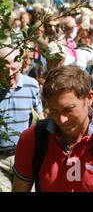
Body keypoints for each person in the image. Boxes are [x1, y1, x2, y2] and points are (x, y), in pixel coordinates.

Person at [0, 47, 44, 191]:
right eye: (5, 69)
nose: (10, 74)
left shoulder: (31, 85)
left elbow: (40, 116)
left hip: (24, 156)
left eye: (13, 69)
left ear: (21, 64)